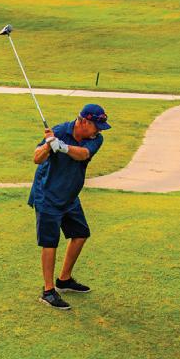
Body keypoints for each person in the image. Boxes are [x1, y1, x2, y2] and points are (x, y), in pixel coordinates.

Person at [29, 104, 110, 311]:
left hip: (70, 196)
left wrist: (63, 147)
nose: (99, 131)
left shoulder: (96, 140)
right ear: (83, 121)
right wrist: (48, 144)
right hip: (47, 195)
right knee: (50, 243)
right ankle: (48, 291)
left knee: (81, 234)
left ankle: (64, 280)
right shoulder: (60, 131)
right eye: (96, 126)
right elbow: (36, 158)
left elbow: (83, 154)